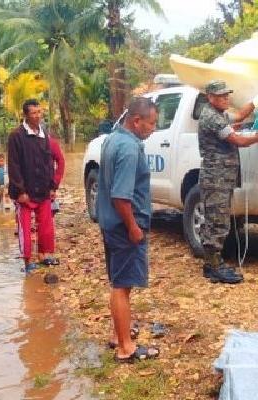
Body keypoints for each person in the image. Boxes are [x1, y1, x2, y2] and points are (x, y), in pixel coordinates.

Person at [96, 97, 160, 362]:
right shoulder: (130, 148)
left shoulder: (112, 138)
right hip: (124, 226)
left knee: (118, 282)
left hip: (110, 224)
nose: (153, 129)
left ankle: (118, 334)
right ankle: (126, 347)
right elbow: (121, 196)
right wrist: (133, 227)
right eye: (151, 123)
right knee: (122, 285)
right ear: (136, 121)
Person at [198, 80, 258, 284]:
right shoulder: (212, 117)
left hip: (221, 177)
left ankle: (212, 264)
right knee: (217, 222)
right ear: (210, 98)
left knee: (218, 219)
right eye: (222, 96)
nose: (226, 98)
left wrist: (257, 99)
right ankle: (214, 266)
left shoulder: (218, 114)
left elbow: (238, 116)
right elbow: (239, 141)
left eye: (227, 94)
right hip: (216, 178)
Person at [8, 99, 62, 273]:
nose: (38, 116)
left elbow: (49, 162)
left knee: (46, 224)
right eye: (34, 113)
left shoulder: (44, 134)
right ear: (25, 115)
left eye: (39, 112)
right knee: (24, 226)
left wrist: (53, 186)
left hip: (43, 188)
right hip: (24, 192)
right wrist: (20, 190)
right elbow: (14, 165)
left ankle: (44, 255)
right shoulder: (16, 136)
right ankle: (27, 260)